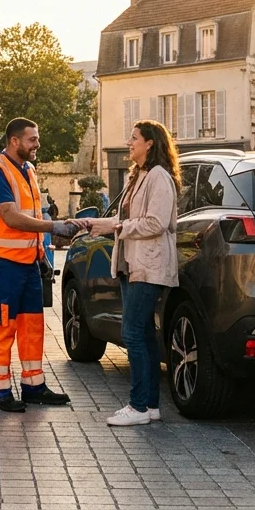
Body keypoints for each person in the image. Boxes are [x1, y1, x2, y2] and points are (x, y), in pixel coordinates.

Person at [0, 117, 84, 412]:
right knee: (2, 328)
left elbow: (30, 215)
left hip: (27, 264)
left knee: (32, 327)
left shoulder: (28, 170)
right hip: (3, 265)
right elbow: (11, 217)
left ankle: (33, 386)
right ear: (14, 141)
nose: (37, 144)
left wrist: (41, 254)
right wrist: (53, 228)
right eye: (32, 139)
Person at [83, 119, 180, 426]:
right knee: (144, 336)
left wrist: (118, 227)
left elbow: (156, 223)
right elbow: (129, 219)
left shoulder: (159, 177)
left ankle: (138, 406)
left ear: (150, 143)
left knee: (133, 334)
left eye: (134, 138)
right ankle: (149, 406)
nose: (129, 142)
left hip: (148, 266)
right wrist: (102, 224)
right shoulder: (138, 176)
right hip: (132, 264)